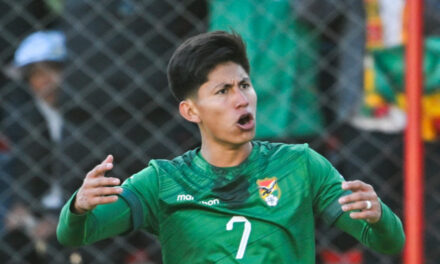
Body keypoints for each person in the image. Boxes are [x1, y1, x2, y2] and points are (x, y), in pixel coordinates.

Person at [57, 31, 405, 263]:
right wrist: (79, 207)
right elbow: (76, 235)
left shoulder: (300, 165)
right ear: (191, 111)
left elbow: (388, 243)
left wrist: (379, 216)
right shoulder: (161, 181)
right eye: (223, 91)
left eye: (245, 85)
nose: (242, 100)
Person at [1, 30, 74, 263]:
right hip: (41, 207)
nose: (45, 81)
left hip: (78, 209)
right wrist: (20, 205)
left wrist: (56, 217)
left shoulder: (86, 118)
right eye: (35, 74)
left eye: (52, 70)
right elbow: (25, 169)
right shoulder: (27, 118)